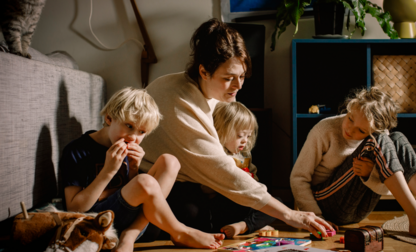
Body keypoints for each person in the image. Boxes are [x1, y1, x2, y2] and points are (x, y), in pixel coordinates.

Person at [139, 18, 333, 239]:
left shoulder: (210, 94)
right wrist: (290, 215)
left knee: (262, 201)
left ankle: (242, 224)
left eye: (241, 76)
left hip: (198, 185)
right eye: (229, 78)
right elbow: (221, 169)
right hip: (160, 185)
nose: (239, 85)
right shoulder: (180, 101)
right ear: (203, 71)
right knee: (196, 214)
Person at [59, 87, 224, 252]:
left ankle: (130, 235)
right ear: (109, 118)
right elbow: (75, 208)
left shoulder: (127, 144)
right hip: (100, 224)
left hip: (136, 223)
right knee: (145, 181)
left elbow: (131, 192)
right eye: (129, 126)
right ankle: (179, 231)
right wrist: (108, 171)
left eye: (142, 132)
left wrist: (134, 169)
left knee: (170, 161)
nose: (133, 137)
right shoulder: (77, 151)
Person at [290, 86, 416, 243]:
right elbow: (298, 178)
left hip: (357, 210)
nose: (349, 129)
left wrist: (371, 175)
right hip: (325, 205)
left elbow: (387, 187)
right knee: (379, 141)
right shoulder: (324, 130)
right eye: (350, 118)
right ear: (349, 108)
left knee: (397, 138)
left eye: (361, 130)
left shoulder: (379, 137)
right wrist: (317, 218)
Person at [203, 101, 276, 238]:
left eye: (248, 136)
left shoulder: (243, 154)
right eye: (240, 135)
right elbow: (206, 189)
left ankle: (245, 226)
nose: (245, 141)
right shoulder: (216, 154)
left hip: (244, 202)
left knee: (275, 201)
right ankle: (252, 225)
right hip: (221, 205)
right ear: (222, 130)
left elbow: (254, 178)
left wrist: (251, 180)